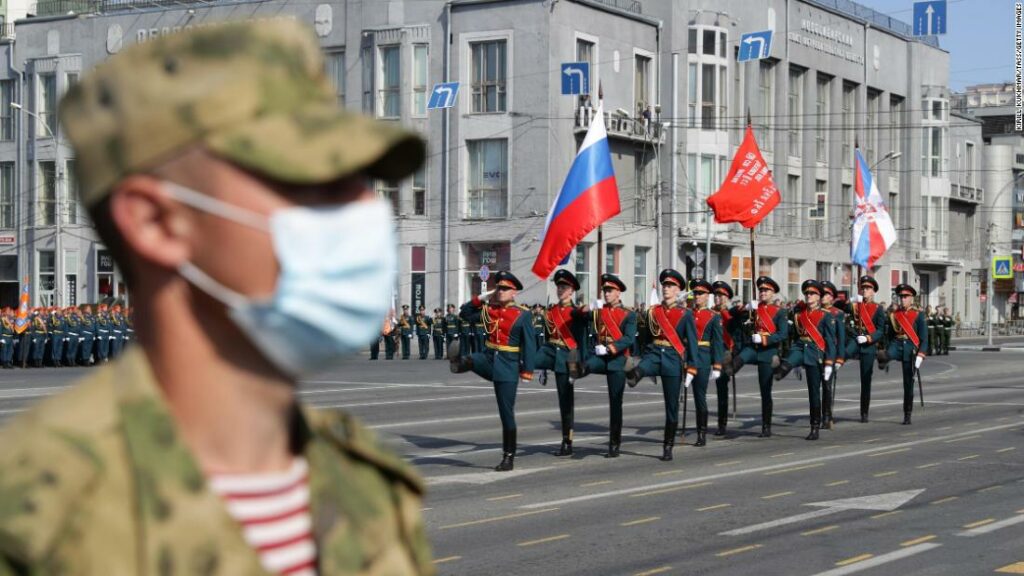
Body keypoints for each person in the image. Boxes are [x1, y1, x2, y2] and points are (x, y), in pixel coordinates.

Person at [0, 19, 433, 574]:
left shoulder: (367, 486)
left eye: (358, 177)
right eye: (303, 176)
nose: (361, 209)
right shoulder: (35, 523)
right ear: (155, 220)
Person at [450, 271, 536, 471]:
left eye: (505, 288)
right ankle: (458, 362)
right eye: (498, 287)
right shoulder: (490, 310)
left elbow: (530, 345)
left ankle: (508, 456)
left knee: (506, 414)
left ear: (514, 292)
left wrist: (527, 371)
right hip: (488, 359)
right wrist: (482, 297)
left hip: (508, 365)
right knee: (473, 358)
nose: (500, 291)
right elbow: (465, 313)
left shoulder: (523, 315)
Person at [625, 269, 697, 461]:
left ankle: (668, 445)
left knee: (671, 408)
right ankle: (635, 374)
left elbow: (692, 343)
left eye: (671, 286)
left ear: (678, 290)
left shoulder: (685, 314)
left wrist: (691, 367)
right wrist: (646, 361)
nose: (666, 288)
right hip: (655, 354)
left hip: (674, 360)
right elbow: (647, 340)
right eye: (665, 285)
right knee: (640, 369)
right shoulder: (653, 311)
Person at [581, 274, 636, 457]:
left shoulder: (629, 314)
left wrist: (611, 348)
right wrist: (589, 306)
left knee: (615, 402)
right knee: (584, 366)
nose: (606, 294)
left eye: (609, 291)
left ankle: (614, 443)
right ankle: (574, 375)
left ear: (618, 293)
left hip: (617, 358)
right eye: (604, 290)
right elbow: (578, 315)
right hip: (599, 356)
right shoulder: (600, 310)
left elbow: (628, 339)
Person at [533, 270, 587, 456]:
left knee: (565, 401)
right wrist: (541, 366)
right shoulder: (552, 311)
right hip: (550, 353)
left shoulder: (576, 311)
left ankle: (567, 440)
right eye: (559, 287)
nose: (560, 290)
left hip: (566, 357)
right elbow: (547, 336)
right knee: (525, 360)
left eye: (564, 287)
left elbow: (583, 317)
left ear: (572, 290)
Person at [776, 280, 836, 440]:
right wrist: (794, 361)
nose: (809, 296)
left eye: (812, 293)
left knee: (814, 393)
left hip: (816, 356)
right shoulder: (799, 315)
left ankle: (815, 426)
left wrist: (829, 363)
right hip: (800, 349)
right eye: (807, 293)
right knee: (785, 367)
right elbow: (796, 338)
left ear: (818, 297)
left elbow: (830, 341)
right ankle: (782, 369)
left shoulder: (826, 316)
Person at [731, 276, 789, 438]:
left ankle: (766, 425)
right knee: (737, 360)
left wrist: (765, 338)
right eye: (761, 290)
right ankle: (726, 371)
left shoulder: (780, 312)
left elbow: (782, 334)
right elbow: (732, 314)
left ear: (772, 293)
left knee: (765, 390)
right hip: (753, 347)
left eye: (766, 290)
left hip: (768, 351)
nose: (762, 292)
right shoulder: (755, 308)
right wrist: (744, 308)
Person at [687, 279, 724, 447]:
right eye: (695, 293)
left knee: (699, 396)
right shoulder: (687, 313)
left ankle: (701, 432)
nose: (697, 296)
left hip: (702, 358)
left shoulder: (713, 317)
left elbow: (717, 343)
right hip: (687, 356)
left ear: (707, 296)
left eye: (700, 293)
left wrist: (717, 365)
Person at [846, 275, 887, 422]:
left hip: (868, 346)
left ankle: (864, 412)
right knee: (839, 359)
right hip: (855, 342)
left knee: (865, 380)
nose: (865, 290)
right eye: (863, 288)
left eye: (868, 288)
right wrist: (849, 300)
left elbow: (880, 330)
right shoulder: (856, 306)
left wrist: (869, 338)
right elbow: (840, 311)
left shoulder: (878, 309)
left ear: (873, 291)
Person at [887, 284, 928, 425]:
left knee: (908, 383)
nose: (903, 299)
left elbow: (924, 339)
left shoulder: (918, 315)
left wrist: (920, 355)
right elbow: (891, 335)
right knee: (884, 355)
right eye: (901, 297)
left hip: (911, 350)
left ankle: (907, 413)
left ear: (912, 298)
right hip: (898, 347)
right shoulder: (895, 314)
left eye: (905, 297)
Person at [711, 281, 744, 436]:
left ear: (727, 297)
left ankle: (721, 424)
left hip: (725, 352)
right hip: (709, 351)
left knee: (721, 388)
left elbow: (736, 323)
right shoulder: (710, 312)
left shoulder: (732, 313)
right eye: (716, 295)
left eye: (721, 295)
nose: (718, 298)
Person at [819, 281, 845, 430]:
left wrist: (840, 358)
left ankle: (827, 416)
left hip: (831, 353)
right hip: (816, 352)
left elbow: (841, 337)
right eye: (821, 293)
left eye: (827, 294)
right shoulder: (815, 311)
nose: (823, 297)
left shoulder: (837, 314)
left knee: (827, 386)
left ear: (832, 297)